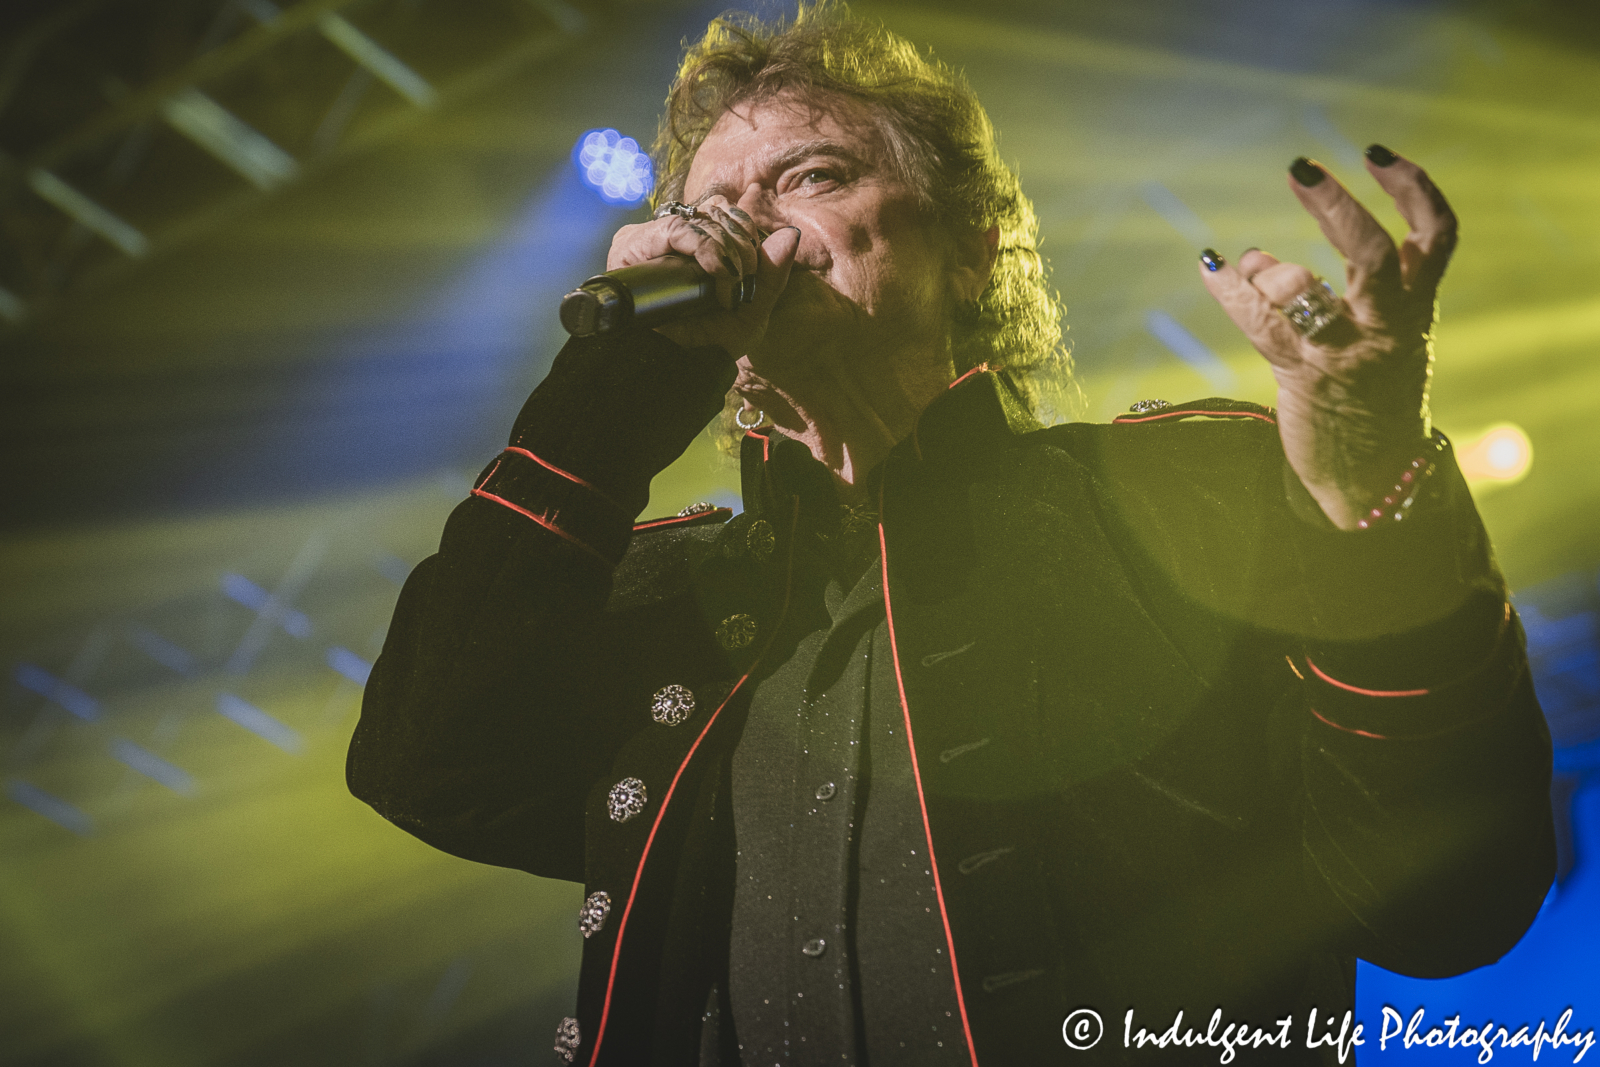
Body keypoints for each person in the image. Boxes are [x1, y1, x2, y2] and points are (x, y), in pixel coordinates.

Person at [346, 6, 1556, 1065]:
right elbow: (425, 762)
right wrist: (611, 393)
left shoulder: (1186, 490)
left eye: (808, 176)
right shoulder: (672, 594)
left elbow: (1450, 905)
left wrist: (1364, 491)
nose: (746, 234)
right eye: (710, 209)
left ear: (971, 242)